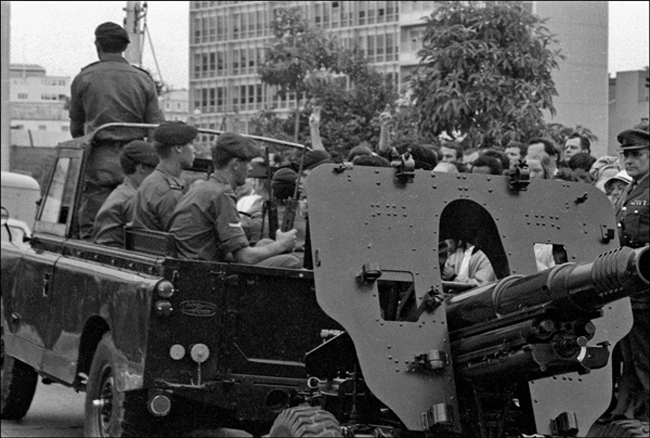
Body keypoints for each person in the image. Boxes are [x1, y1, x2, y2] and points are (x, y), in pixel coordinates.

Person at [70, 22, 165, 239]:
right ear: (124, 47)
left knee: (93, 222)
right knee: (136, 224)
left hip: (98, 158)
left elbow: (76, 130)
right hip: (136, 161)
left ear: (97, 45)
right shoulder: (143, 79)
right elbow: (155, 129)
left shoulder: (83, 78)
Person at [169, 132, 301, 269]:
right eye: (247, 162)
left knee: (264, 243)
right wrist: (282, 244)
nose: (250, 168)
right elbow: (245, 257)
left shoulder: (203, 188)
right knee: (292, 262)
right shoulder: (222, 193)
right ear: (236, 164)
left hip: (192, 266)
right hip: (204, 273)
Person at [606, 128, 649, 424]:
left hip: (646, 283)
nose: (629, 160)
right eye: (626, 155)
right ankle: (626, 412)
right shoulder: (631, 189)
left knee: (645, 355)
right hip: (628, 284)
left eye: (637, 154)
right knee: (631, 356)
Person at [131, 121, 198, 232]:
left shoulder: (151, 180)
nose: (194, 150)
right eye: (190, 143)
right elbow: (182, 237)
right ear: (178, 148)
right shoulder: (169, 192)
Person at [92, 140, 159, 247]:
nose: (157, 175)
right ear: (142, 168)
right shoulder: (131, 199)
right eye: (155, 169)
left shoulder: (125, 193)